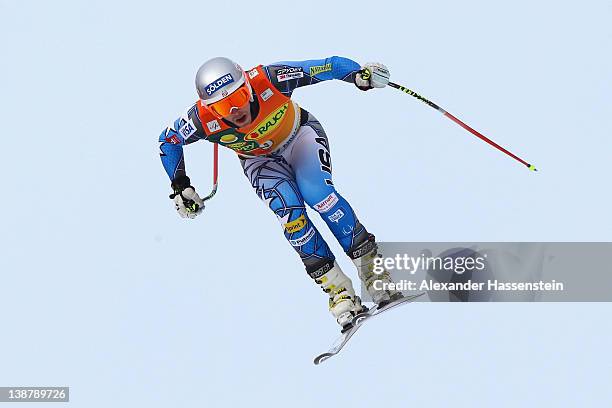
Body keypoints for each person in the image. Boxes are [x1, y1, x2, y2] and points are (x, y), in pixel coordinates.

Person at [158, 56, 401, 331]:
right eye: (224, 105)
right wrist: (180, 185)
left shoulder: (270, 79)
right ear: (210, 108)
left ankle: (373, 272)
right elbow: (168, 139)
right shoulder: (200, 120)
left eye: (239, 95)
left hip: (299, 137)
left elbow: (328, 66)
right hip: (260, 162)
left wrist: (360, 76)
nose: (236, 109)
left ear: (248, 85)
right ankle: (339, 291)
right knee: (291, 216)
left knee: (318, 194)